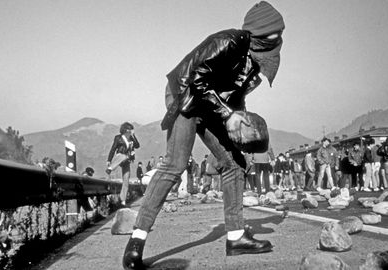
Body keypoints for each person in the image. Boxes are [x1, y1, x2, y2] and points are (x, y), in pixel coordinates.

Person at [122, 2, 285, 269]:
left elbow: (236, 97)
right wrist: (226, 112)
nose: (277, 42)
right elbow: (194, 79)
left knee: (235, 164)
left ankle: (236, 237)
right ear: (260, 33)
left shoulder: (255, 61)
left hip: (212, 106)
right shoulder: (228, 41)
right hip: (184, 96)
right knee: (175, 165)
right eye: (273, 36)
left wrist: (239, 126)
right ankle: (136, 241)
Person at [106, 122, 140, 206]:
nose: (131, 130)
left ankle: (122, 200)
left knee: (126, 179)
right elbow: (113, 149)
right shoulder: (118, 138)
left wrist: (134, 136)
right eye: (130, 129)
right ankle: (110, 168)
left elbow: (137, 146)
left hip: (127, 160)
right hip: (119, 157)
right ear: (125, 129)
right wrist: (109, 160)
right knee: (123, 156)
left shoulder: (131, 138)